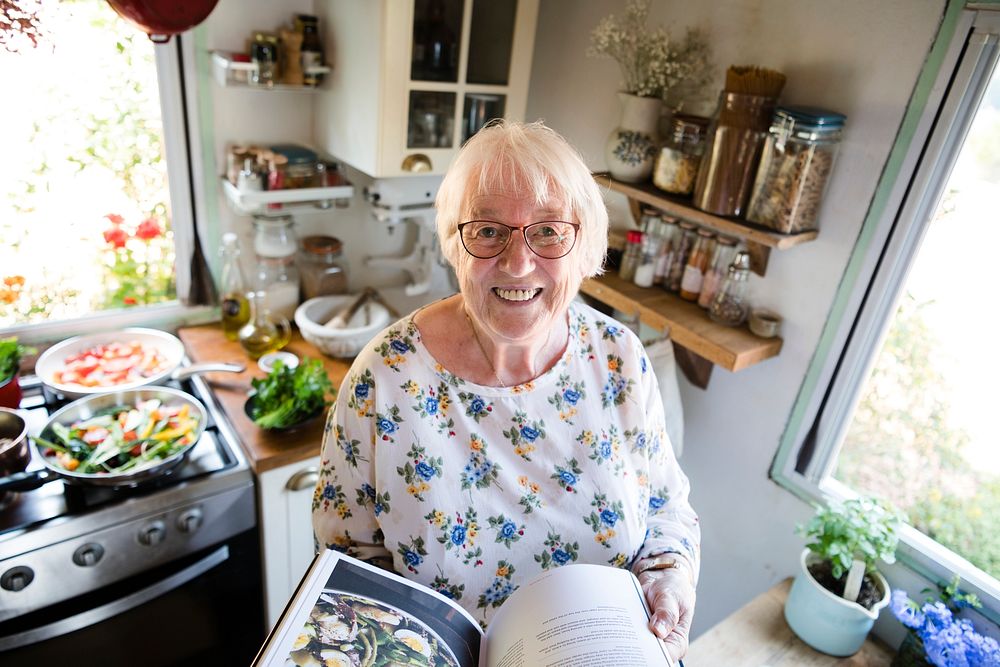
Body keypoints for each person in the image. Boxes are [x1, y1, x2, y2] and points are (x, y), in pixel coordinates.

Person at [312, 120, 700, 661]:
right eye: (488, 230)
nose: (518, 263)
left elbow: (665, 509)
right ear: (453, 242)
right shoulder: (384, 377)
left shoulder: (620, 360)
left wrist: (671, 576)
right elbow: (347, 561)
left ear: (583, 245)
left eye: (548, 230)